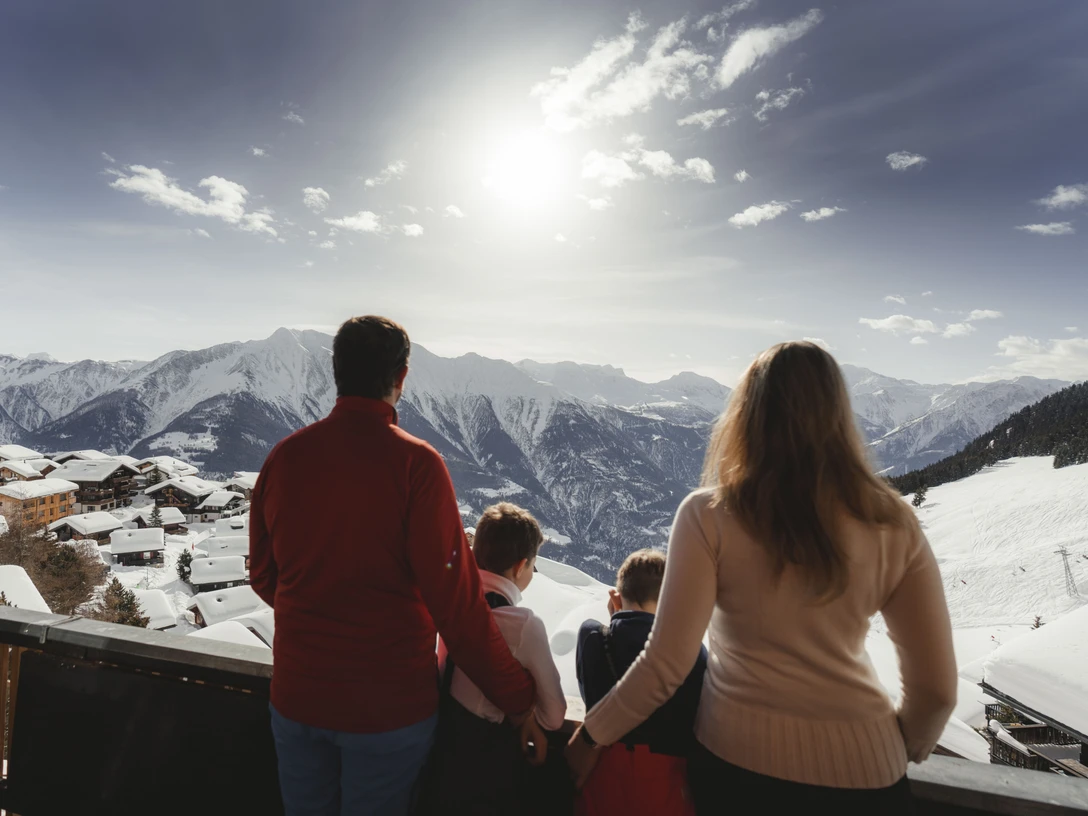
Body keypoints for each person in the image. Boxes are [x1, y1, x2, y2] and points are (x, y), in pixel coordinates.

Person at [566, 341, 957, 815]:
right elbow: (937, 690)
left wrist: (589, 737)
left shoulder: (708, 515)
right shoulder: (892, 523)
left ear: (746, 414)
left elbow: (665, 666)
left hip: (736, 770)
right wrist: (898, 747)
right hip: (870, 776)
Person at [250, 316, 542, 816]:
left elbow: (263, 575)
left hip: (297, 697)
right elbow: (458, 608)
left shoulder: (284, 458)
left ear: (335, 372)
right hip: (386, 711)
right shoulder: (417, 466)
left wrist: (321, 612)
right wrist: (517, 700)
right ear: (402, 378)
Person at [423, 502, 567, 815]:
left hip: (437, 752)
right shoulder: (524, 624)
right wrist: (526, 716)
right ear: (519, 567)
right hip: (485, 769)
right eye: (532, 565)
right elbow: (555, 715)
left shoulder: (452, 602)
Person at [575, 549, 707, 816]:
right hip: (666, 787)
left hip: (604, 780)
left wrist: (615, 618)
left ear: (615, 596)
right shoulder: (690, 652)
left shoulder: (592, 636)